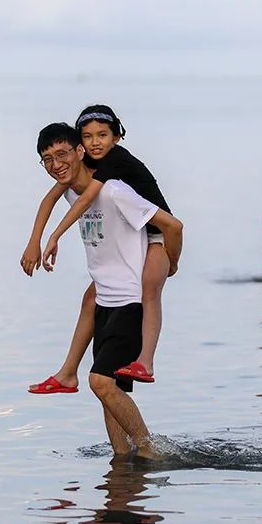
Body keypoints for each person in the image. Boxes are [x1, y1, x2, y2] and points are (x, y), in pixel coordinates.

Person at [35, 122, 183, 458]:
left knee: (100, 382)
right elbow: (51, 201)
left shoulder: (115, 191)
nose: (56, 164)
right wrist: (37, 241)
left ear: (80, 152)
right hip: (105, 299)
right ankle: (122, 468)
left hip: (131, 301)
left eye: (62, 155)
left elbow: (173, 225)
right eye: (47, 159)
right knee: (108, 391)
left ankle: (150, 453)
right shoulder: (72, 191)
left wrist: (171, 263)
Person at [23, 105, 174, 392]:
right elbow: (49, 199)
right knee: (90, 298)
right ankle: (67, 373)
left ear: (116, 137)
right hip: (141, 233)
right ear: (81, 142)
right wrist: (34, 241)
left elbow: (85, 202)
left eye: (102, 135)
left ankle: (146, 361)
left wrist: (54, 236)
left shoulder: (111, 164)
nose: (95, 143)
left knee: (149, 290)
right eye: (88, 136)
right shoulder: (85, 168)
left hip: (158, 235)